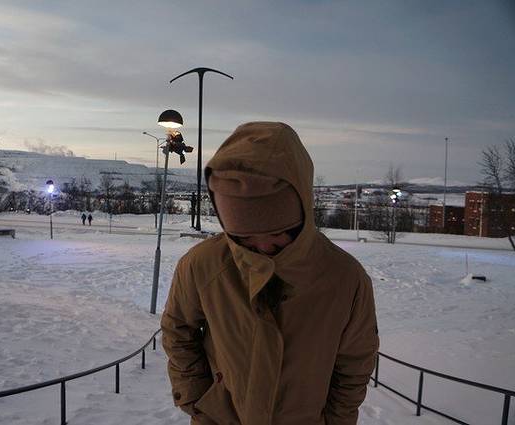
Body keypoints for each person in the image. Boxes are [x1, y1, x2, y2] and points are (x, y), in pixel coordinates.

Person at [161, 122, 379, 425]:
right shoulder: (203, 266)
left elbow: (354, 366)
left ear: (303, 215)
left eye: (279, 233)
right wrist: (198, 398)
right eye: (246, 237)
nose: (263, 247)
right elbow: (178, 331)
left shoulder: (345, 280)